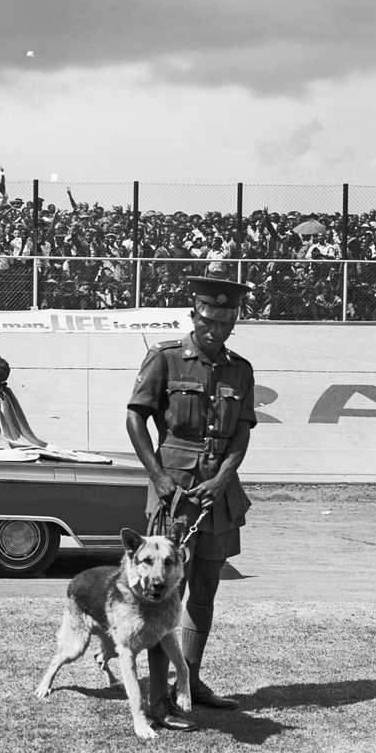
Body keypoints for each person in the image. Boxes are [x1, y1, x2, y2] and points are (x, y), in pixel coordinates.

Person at [126, 276, 256, 727]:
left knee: (204, 591)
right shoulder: (165, 358)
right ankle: (159, 701)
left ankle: (191, 683)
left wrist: (223, 478)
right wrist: (158, 477)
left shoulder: (241, 369)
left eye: (227, 321)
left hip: (217, 495)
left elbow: (241, 431)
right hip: (175, 492)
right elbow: (135, 418)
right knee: (164, 595)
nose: (217, 329)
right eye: (210, 319)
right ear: (194, 314)